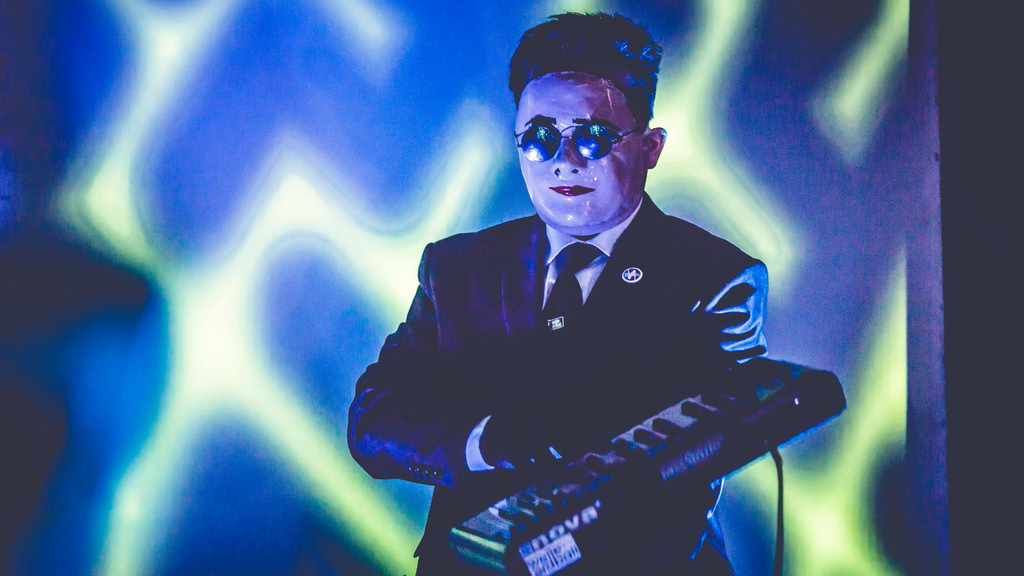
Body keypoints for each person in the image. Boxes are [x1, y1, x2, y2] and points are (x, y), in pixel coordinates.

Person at [348, 12, 767, 575]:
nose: (564, 162)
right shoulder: (457, 268)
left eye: (593, 137)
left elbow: (697, 464)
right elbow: (374, 421)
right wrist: (486, 441)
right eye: (540, 138)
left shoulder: (715, 279)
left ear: (651, 148)